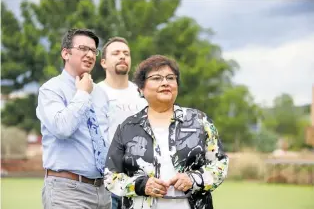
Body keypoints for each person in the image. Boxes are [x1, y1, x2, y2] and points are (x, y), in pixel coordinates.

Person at [104, 55, 229, 209]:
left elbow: (220, 165)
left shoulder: (199, 121)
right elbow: (111, 177)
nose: (165, 82)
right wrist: (140, 185)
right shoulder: (127, 127)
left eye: (170, 78)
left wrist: (194, 179)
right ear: (141, 89)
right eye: (156, 78)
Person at [36, 28, 111, 209]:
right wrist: (83, 94)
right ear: (65, 53)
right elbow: (62, 128)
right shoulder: (51, 90)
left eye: (93, 50)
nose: (89, 55)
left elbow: (105, 138)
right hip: (67, 190)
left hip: (103, 191)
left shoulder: (100, 92)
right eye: (83, 48)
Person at [98, 37, 147, 209]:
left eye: (126, 53)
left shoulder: (142, 93)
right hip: (105, 179)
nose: (122, 56)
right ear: (103, 62)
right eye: (116, 53)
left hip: (138, 179)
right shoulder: (95, 93)